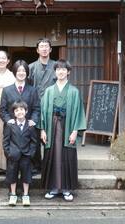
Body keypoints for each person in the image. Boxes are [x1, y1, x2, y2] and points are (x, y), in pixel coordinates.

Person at [38, 59, 86, 202]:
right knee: (52, 156)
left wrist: (75, 131)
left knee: (67, 157)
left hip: (68, 126)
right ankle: (53, 188)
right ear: (55, 72)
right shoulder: (49, 91)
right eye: (58, 69)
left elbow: (78, 112)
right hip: (51, 127)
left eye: (64, 69)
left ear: (68, 72)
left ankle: (66, 189)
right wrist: (43, 130)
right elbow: (43, 111)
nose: (61, 71)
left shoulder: (74, 91)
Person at [28, 37, 57, 174]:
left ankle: (49, 165)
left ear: (50, 49)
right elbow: (28, 87)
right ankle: (36, 166)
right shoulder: (31, 67)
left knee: (50, 137)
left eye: (47, 46)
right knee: (34, 137)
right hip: (35, 107)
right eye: (42, 46)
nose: (44, 49)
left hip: (52, 107)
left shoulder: (57, 66)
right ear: (37, 50)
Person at [2, 100, 38, 206]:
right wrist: (8, 153)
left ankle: (25, 195)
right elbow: (5, 141)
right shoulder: (10, 125)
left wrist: (31, 153)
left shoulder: (30, 126)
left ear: (26, 111)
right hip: (13, 155)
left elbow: (34, 141)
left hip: (26, 156)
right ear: (14, 113)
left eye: (21, 110)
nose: (19, 112)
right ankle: (13, 194)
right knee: (12, 175)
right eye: (16, 110)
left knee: (26, 175)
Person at [0, 60, 40, 131]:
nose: (21, 73)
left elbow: (36, 109)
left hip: (29, 129)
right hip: (11, 129)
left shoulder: (33, 91)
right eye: (18, 71)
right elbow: (3, 110)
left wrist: (33, 120)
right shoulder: (6, 90)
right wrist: (8, 120)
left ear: (27, 73)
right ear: (14, 72)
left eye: (24, 71)